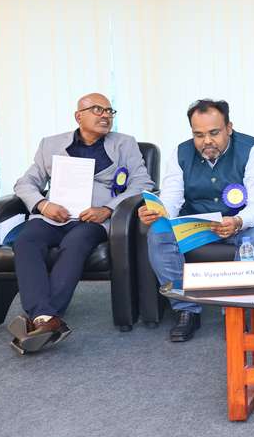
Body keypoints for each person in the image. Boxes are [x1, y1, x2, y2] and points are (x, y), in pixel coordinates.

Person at [9, 93, 152, 353]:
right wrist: (43, 205)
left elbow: (143, 183)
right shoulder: (50, 144)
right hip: (53, 216)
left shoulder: (125, 144)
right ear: (79, 116)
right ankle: (47, 319)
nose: (105, 115)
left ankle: (41, 318)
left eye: (109, 111)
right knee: (26, 240)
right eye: (98, 109)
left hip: (92, 220)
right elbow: (25, 183)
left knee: (76, 243)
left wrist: (107, 209)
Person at [137, 99, 254, 342]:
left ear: (229, 128)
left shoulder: (251, 151)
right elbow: (171, 198)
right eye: (198, 135)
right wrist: (158, 211)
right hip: (196, 224)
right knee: (158, 232)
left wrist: (238, 221)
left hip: (239, 224)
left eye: (214, 133)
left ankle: (237, 310)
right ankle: (186, 310)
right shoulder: (181, 152)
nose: (206, 141)